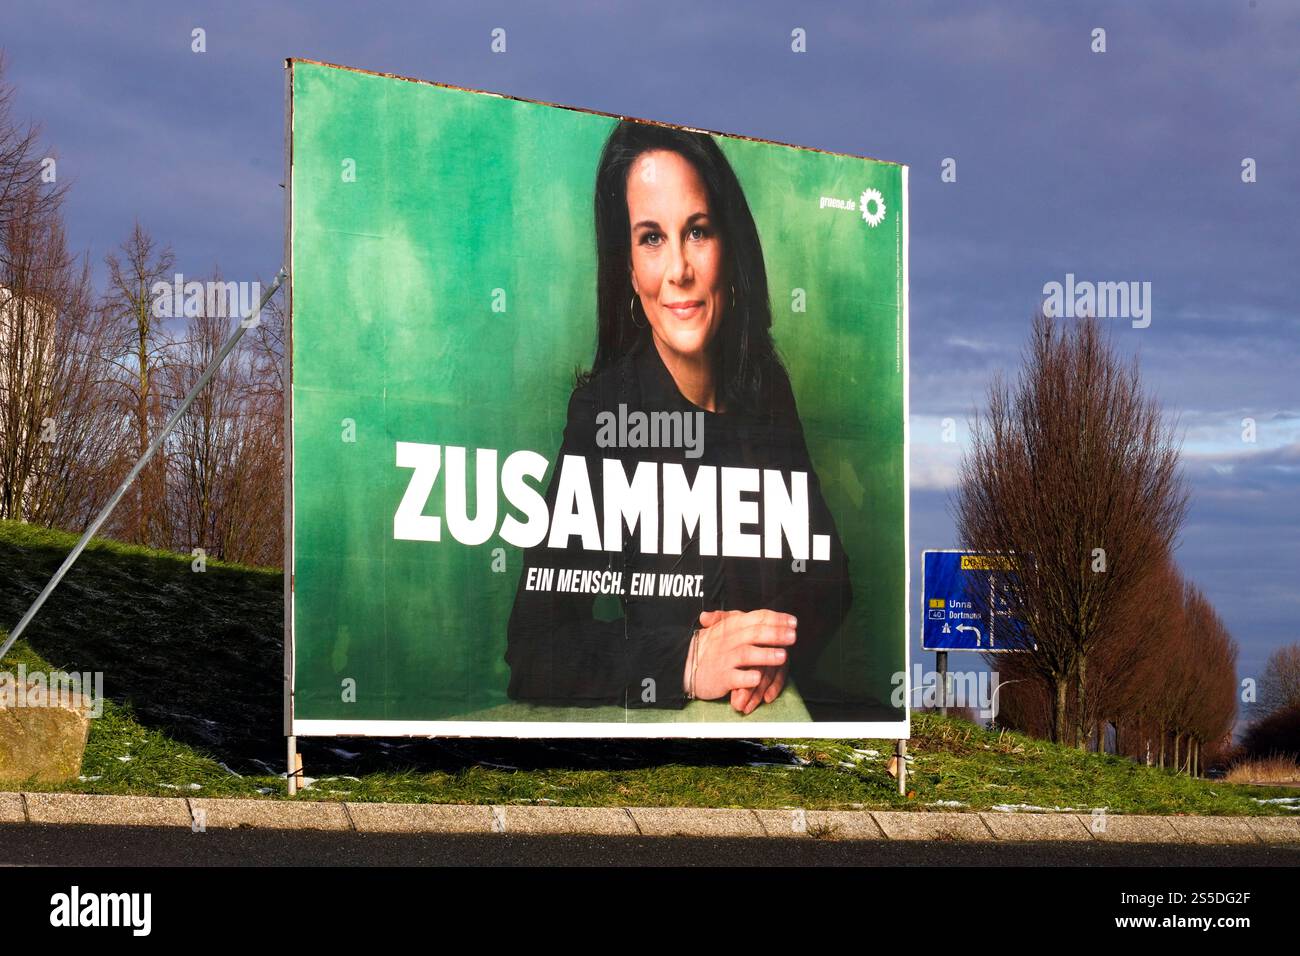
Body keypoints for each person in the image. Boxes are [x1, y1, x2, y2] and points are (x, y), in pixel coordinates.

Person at [505, 120, 851, 713]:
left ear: (729, 245)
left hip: (772, 738)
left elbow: (829, 578)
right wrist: (690, 659)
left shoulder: (765, 388)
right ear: (628, 269)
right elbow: (536, 648)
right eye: (650, 238)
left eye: (697, 231)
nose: (679, 271)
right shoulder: (605, 413)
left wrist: (765, 650)